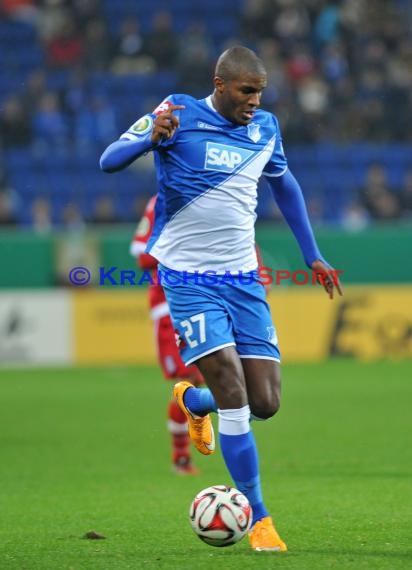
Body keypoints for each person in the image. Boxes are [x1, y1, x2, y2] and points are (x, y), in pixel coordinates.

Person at [100, 45, 342, 552]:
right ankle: (260, 516)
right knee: (235, 391)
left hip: (244, 280)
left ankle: (193, 401)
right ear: (220, 83)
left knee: (267, 402)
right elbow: (108, 160)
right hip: (188, 279)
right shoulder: (178, 111)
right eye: (246, 91)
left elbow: (286, 186)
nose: (255, 100)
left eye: (260, 92)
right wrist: (149, 137)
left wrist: (312, 255)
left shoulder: (266, 129)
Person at [130, 194, 204, 475]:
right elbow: (143, 257)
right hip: (170, 308)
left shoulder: (213, 192)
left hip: (206, 303)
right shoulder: (160, 202)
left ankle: (189, 452)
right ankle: (181, 457)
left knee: (212, 380)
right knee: (188, 381)